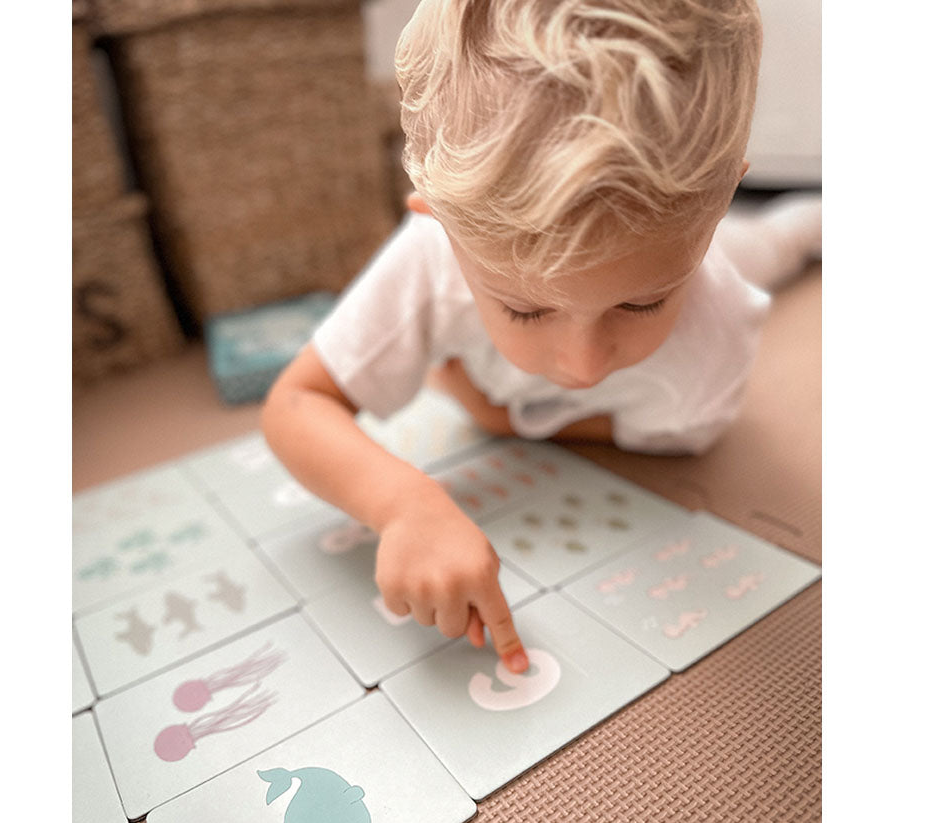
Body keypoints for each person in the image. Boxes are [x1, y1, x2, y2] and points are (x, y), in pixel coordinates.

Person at [261, 0, 821, 675]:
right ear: (437, 222)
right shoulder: (431, 254)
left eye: (641, 303)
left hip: (730, 250)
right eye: (525, 311)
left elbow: (686, 438)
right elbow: (296, 403)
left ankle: (806, 220)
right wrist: (405, 505)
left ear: (719, 199)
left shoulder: (715, 329)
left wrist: (498, 415)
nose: (583, 369)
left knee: (770, 245)